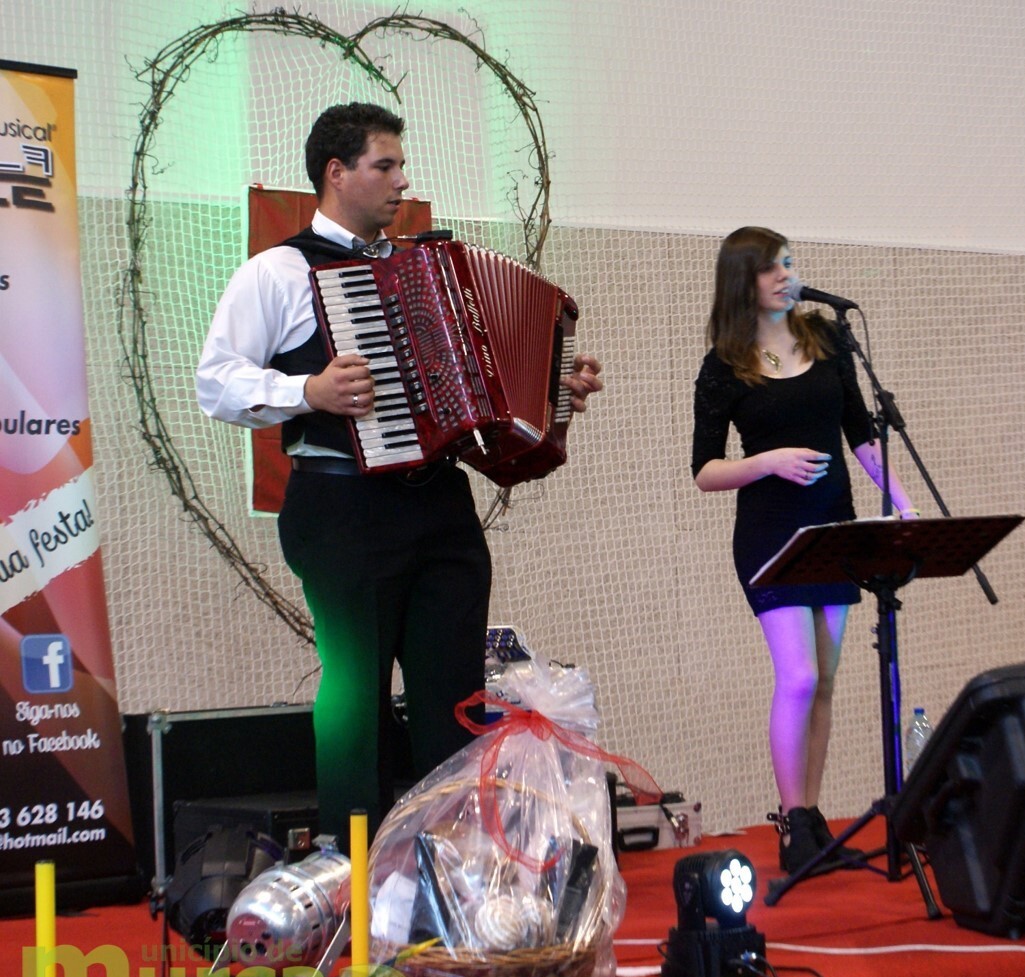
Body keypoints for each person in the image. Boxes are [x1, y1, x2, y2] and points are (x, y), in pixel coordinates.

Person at [196, 102, 602, 847]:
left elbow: (476, 387)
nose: (401, 181)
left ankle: (450, 856)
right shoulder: (278, 271)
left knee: (454, 692)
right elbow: (215, 381)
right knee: (357, 698)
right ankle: (351, 859)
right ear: (336, 172)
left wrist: (550, 390)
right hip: (340, 505)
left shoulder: (427, 271)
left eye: (400, 165)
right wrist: (309, 390)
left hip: (440, 502)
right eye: (384, 166)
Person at [692, 227, 916, 872]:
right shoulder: (725, 364)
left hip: (833, 525)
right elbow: (705, 470)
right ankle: (792, 823)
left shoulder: (828, 340)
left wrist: (903, 505)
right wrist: (767, 461)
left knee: (826, 681)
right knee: (799, 676)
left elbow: (862, 438)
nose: (786, 276)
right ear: (743, 282)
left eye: (789, 263)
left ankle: (812, 819)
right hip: (770, 534)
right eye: (771, 268)